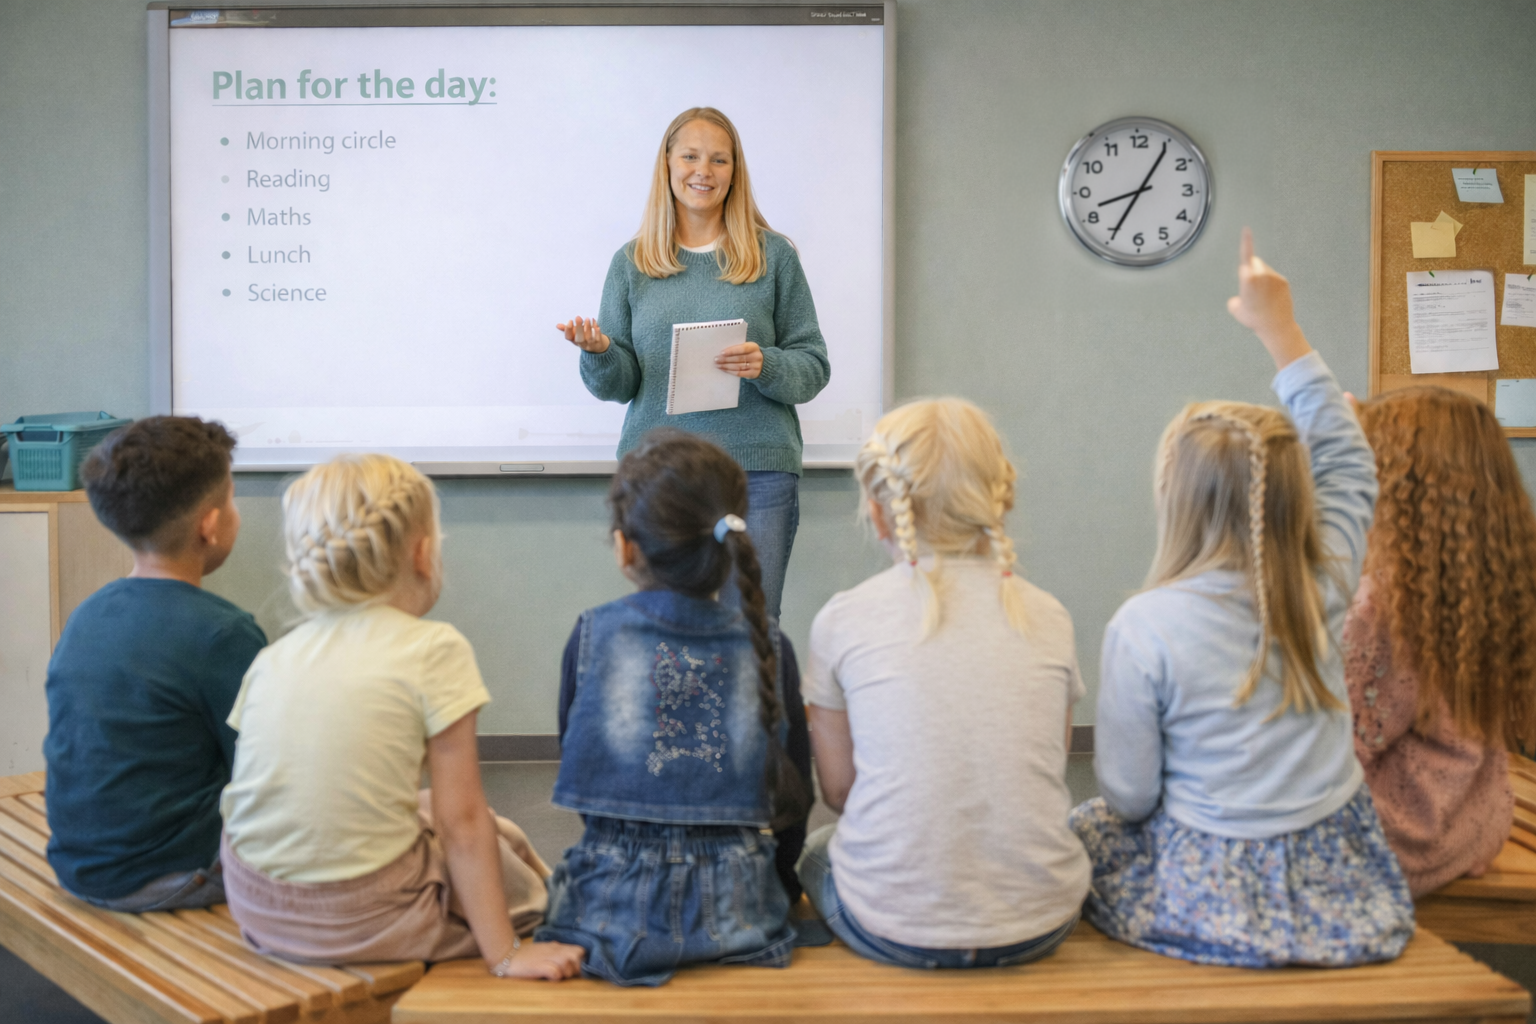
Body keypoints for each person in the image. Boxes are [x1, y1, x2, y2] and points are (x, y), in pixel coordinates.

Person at [1071, 230, 1415, 968]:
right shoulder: (1326, 579)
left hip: (1212, 885)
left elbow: (1130, 797)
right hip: (1337, 874)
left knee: (1085, 826)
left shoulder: (1144, 626)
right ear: (1297, 493)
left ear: (1174, 499)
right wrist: (1280, 330)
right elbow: (1351, 461)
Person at [218, 454, 583, 980]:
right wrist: (506, 955)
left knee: (481, 824)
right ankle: (547, 908)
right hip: (367, 916)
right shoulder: (433, 648)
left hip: (258, 909)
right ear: (423, 553)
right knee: (501, 856)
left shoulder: (272, 658)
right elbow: (461, 824)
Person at [797, 398, 1088, 970]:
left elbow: (840, 792)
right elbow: (1047, 769)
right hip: (1041, 922)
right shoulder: (1048, 615)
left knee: (817, 848)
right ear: (1001, 500)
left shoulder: (843, 618)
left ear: (878, 511)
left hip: (891, 930)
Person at [536, 429, 813, 986]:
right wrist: (779, 889)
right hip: (744, 914)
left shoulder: (592, 634)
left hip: (605, 913)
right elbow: (794, 802)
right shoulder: (769, 645)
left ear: (625, 547)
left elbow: (585, 770)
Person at [556, 106, 831, 622]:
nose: (704, 170)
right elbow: (620, 384)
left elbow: (813, 366)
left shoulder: (774, 257)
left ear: (735, 171)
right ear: (667, 164)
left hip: (757, 474)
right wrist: (599, 353)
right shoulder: (631, 263)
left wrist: (766, 365)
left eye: (719, 160)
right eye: (690, 157)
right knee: (668, 632)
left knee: (751, 631)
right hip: (662, 476)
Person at [44, 417, 263, 912]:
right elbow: (265, 779)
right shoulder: (224, 634)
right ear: (209, 525)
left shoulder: (88, 614)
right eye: (232, 499)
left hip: (77, 865)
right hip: (173, 875)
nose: (237, 513)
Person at [1343, 386, 1536, 896]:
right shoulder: (1490, 580)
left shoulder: (1383, 606)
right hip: (1475, 815)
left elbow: (1336, 750)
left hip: (1400, 838)